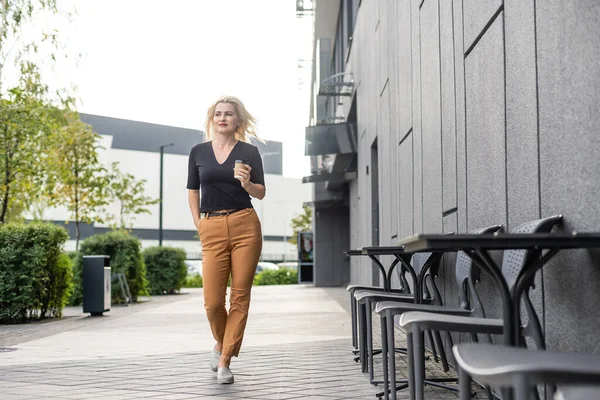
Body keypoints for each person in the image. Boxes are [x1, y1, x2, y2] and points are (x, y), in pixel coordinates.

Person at [187, 95, 266, 384]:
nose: (223, 118)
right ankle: (222, 342)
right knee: (212, 302)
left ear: (238, 120)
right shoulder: (198, 152)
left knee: (240, 296)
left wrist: (246, 183)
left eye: (229, 114)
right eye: (218, 113)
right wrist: (199, 223)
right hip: (211, 226)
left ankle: (224, 360)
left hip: (245, 223)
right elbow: (193, 191)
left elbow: (261, 192)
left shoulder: (249, 152)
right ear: (212, 119)